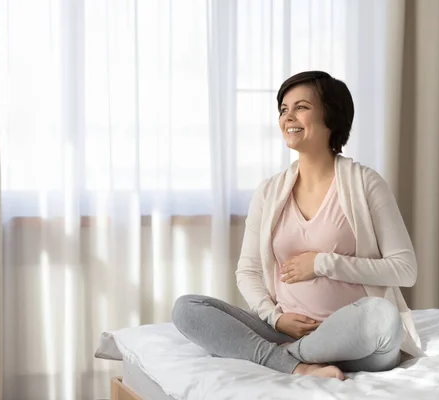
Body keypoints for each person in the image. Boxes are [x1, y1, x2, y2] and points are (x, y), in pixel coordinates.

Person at [172, 71, 424, 380]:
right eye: (283, 109)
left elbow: (405, 269)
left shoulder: (366, 184)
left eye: (301, 107)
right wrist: (276, 320)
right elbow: (247, 271)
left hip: (358, 343)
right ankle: (298, 364)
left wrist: (323, 264)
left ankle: (283, 359)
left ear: (331, 114)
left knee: (382, 317)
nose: (288, 116)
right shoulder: (269, 192)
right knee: (187, 307)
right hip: (285, 331)